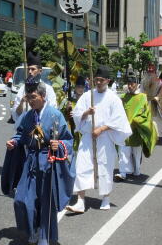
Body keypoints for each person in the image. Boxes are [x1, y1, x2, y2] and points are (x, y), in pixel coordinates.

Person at [4, 77, 74, 245]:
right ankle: (32, 229)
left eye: (33, 97)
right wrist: (14, 142)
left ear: (43, 96)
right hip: (31, 162)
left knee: (45, 202)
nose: (30, 101)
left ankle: (44, 236)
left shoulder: (55, 115)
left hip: (48, 161)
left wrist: (60, 144)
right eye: (28, 97)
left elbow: (68, 140)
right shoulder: (28, 116)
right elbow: (20, 133)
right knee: (22, 199)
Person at [67, 65, 131, 213]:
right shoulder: (88, 96)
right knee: (82, 165)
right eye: (96, 80)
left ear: (108, 80)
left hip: (105, 138)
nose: (98, 83)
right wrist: (86, 113)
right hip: (88, 136)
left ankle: (106, 197)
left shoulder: (114, 99)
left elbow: (119, 120)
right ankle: (80, 201)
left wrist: (102, 128)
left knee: (105, 167)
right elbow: (76, 115)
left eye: (101, 80)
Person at [115, 71, 157, 181]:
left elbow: (146, 114)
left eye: (132, 83)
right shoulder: (123, 97)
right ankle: (122, 172)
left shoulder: (143, 97)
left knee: (136, 154)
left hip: (137, 130)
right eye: (128, 83)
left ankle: (137, 169)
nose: (130, 86)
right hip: (125, 130)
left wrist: (138, 120)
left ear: (137, 84)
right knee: (123, 151)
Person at [11, 52, 57, 127]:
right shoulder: (23, 88)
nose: (30, 72)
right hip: (25, 127)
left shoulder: (48, 89)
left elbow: (53, 110)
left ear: (40, 71)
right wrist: (22, 103)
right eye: (29, 69)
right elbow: (16, 114)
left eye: (33, 69)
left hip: (42, 128)